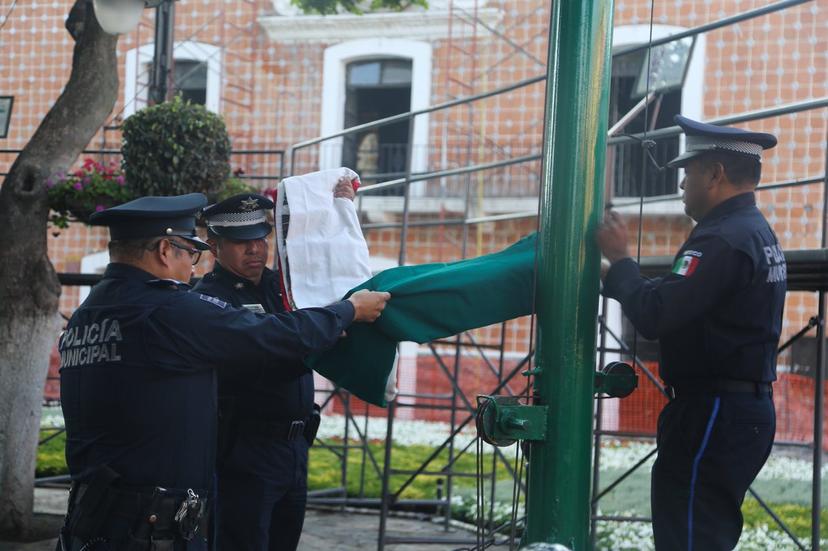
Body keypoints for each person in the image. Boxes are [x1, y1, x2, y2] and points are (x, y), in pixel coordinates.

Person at [58, 193, 389, 551]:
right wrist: (348, 311)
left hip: (98, 509)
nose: (192, 267)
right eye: (191, 253)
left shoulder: (89, 312)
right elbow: (267, 335)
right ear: (166, 250)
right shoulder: (168, 309)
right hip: (150, 521)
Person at [596, 115, 786, 550]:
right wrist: (619, 274)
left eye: (688, 172)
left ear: (715, 174)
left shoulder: (721, 239)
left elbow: (656, 314)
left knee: (688, 538)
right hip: (736, 409)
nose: (682, 185)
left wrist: (621, 260)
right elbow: (683, 297)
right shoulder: (752, 231)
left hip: (714, 411)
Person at [193, 178, 355, 551]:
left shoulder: (283, 285)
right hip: (245, 450)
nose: (255, 249)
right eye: (242, 241)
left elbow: (330, 270)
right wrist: (317, 341)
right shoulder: (208, 299)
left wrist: (340, 212)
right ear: (215, 246)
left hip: (293, 446)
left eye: (261, 238)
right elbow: (256, 360)